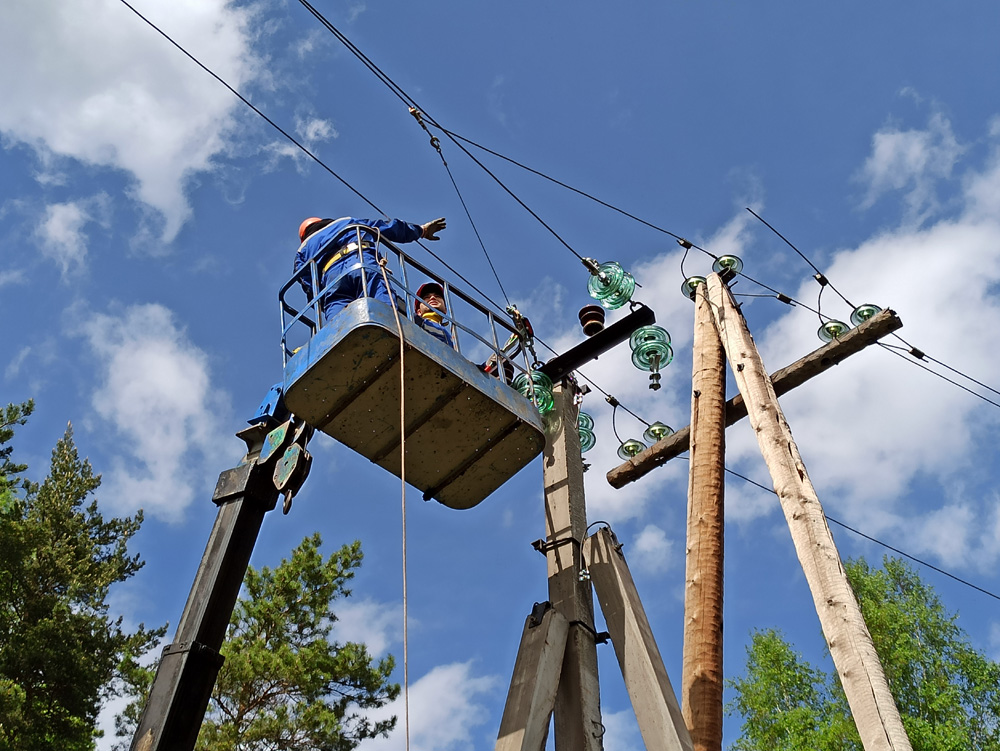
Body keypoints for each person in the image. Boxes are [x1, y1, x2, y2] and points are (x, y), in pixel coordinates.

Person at [294, 216, 446, 321]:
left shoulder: (302, 251)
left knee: (340, 326)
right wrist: (421, 230)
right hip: (360, 262)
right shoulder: (345, 222)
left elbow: (308, 284)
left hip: (331, 282)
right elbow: (386, 228)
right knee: (383, 311)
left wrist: (323, 303)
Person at [414, 281, 454, 347]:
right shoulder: (415, 322)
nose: (432, 297)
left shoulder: (451, 337)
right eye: (426, 297)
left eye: (437, 296)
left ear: (445, 310)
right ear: (419, 312)